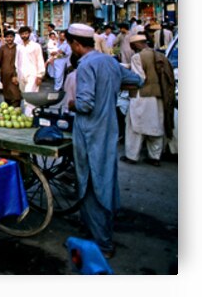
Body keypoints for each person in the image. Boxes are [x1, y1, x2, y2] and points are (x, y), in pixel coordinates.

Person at [65, 23, 142, 259]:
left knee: (90, 183)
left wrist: (71, 104)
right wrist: (110, 89)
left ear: (76, 45)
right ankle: (94, 230)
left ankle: (103, 242)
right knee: (104, 180)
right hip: (108, 130)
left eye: (71, 45)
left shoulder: (86, 65)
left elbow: (85, 104)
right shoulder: (109, 61)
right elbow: (136, 81)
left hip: (90, 132)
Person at [120, 35, 174, 167]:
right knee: (156, 126)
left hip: (141, 96)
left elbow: (139, 79)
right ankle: (154, 157)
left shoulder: (137, 57)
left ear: (136, 44)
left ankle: (132, 156)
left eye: (132, 46)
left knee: (135, 127)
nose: (131, 49)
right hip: (158, 96)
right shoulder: (160, 56)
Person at [15, 26, 45, 116]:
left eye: (26, 33)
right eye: (22, 34)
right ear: (20, 35)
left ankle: (29, 116)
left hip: (32, 73)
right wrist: (17, 74)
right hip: (21, 74)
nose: (24, 36)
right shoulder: (19, 47)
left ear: (29, 34)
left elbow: (40, 60)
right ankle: (30, 114)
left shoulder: (36, 46)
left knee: (30, 94)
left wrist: (40, 75)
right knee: (24, 94)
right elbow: (17, 61)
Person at [0, 30, 22, 107]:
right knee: (6, 93)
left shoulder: (18, 48)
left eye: (11, 37)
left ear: (14, 38)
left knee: (16, 94)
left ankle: (16, 109)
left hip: (15, 74)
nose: (9, 39)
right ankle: (8, 109)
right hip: (4, 75)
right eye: (7, 37)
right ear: (5, 38)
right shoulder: (2, 48)